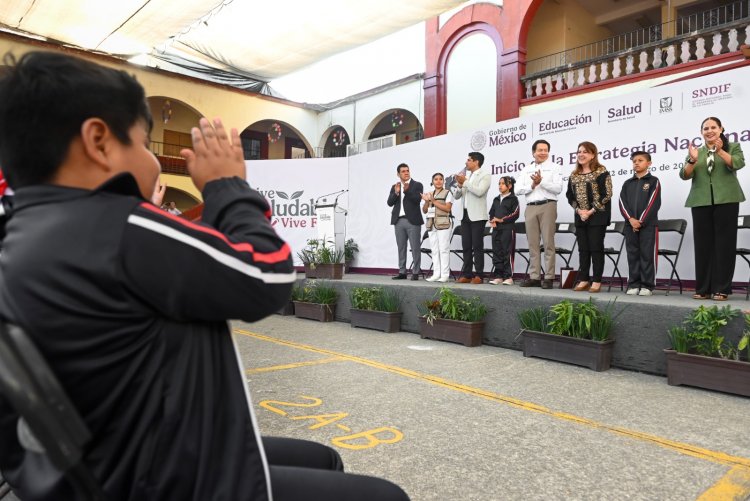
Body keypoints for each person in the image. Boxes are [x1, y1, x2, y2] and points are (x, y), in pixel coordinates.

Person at [0, 51, 409, 501]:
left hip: (107, 461)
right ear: (98, 141)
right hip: (162, 478)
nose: (154, 161)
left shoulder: (23, 233)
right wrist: (226, 185)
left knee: (321, 459)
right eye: (142, 142)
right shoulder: (115, 227)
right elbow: (267, 274)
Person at [680, 116, 746, 301]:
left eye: (713, 127)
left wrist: (720, 151)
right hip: (700, 201)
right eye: (705, 128)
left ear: (721, 129)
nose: (709, 131)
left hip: (727, 200)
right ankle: (703, 288)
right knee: (703, 246)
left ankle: (722, 288)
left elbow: (737, 163)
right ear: (701, 132)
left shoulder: (732, 147)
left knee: (724, 245)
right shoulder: (696, 152)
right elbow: (684, 175)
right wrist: (692, 161)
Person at [516, 140, 563, 289]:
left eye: (545, 150)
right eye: (539, 150)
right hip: (531, 207)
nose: (543, 153)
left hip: (548, 205)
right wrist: (532, 185)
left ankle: (549, 277)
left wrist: (541, 183)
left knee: (548, 242)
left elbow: (558, 188)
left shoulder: (555, 167)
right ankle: (534, 276)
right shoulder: (526, 169)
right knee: (533, 244)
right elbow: (517, 189)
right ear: (533, 152)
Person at [566, 141, 613, 294]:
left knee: (596, 249)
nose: (581, 154)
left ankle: (597, 280)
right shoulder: (574, 175)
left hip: (597, 217)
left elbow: (607, 194)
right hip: (580, 217)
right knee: (583, 250)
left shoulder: (601, 171)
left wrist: (590, 211)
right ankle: (584, 279)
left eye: (585, 151)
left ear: (593, 154)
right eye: (579, 151)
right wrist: (579, 211)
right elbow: (569, 196)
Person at [619, 151, 661, 296]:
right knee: (632, 254)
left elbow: (653, 203)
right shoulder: (627, 183)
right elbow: (622, 203)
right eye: (634, 160)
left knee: (646, 254)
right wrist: (631, 220)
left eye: (640, 160)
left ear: (649, 163)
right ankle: (633, 284)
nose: (636, 163)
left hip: (648, 226)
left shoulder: (653, 181)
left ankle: (647, 285)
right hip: (630, 226)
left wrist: (640, 221)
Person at [454, 152, 491, 284]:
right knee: (466, 246)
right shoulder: (467, 177)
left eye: (469, 160)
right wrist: (459, 185)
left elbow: (480, 192)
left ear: (476, 162)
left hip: (477, 216)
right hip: (465, 215)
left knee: (477, 246)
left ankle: (479, 275)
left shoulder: (485, 175)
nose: (466, 162)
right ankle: (467, 274)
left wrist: (465, 182)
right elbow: (457, 196)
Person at [387, 163, 424, 280]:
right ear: (398, 174)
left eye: (407, 170)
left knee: (415, 247)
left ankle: (416, 272)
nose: (406, 172)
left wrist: (407, 191)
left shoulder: (417, 185)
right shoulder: (395, 186)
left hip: (413, 221)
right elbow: (389, 203)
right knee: (401, 247)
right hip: (398, 221)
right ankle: (402, 272)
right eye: (403, 171)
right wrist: (396, 192)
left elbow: (417, 200)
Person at [421, 172, 454, 282]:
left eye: (441, 179)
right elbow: (425, 210)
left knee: (443, 249)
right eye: (436, 179)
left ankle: (445, 275)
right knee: (434, 250)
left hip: (444, 223)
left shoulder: (448, 193)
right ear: (432, 181)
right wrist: (426, 202)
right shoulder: (429, 193)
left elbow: (448, 209)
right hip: (431, 224)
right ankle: (436, 274)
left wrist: (434, 201)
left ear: (444, 181)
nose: (438, 181)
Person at [488, 176, 520, 285]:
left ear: (509, 186)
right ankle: (498, 276)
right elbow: (492, 212)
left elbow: (515, 214)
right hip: (496, 229)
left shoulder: (513, 199)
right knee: (497, 252)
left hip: (508, 229)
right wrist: (492, 220)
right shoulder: (496, 199)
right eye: (499, 183)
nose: (500, 185)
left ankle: (508, 276)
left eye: (502, 183)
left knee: (507, 252)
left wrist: (501, 220)